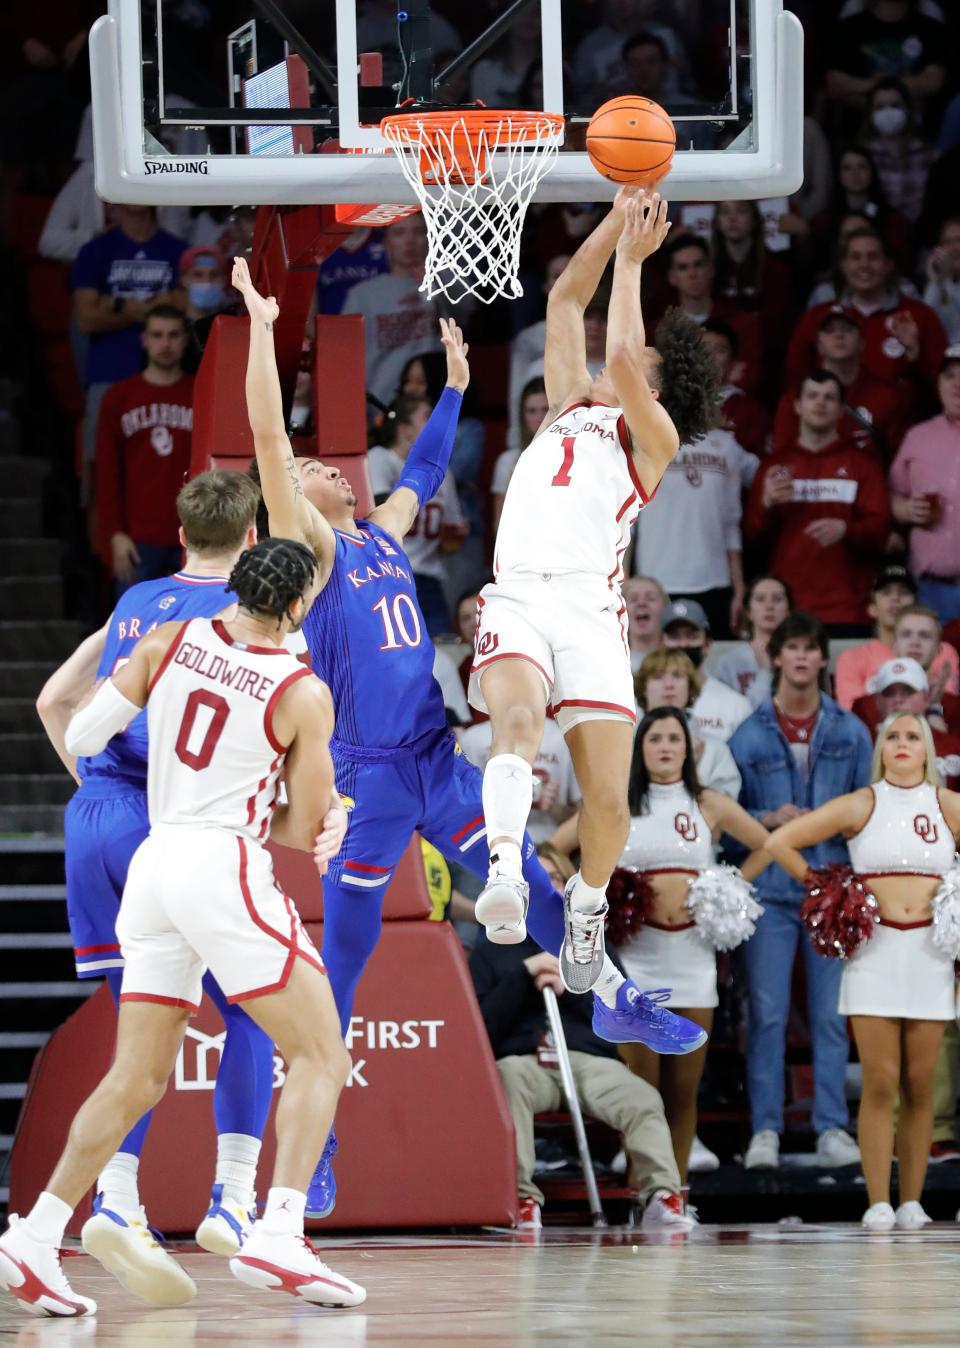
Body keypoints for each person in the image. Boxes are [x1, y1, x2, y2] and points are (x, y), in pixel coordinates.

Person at [232, 255, 695, 1220]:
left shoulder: (383, 532)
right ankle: (315, 1152)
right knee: (342, 969)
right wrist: (267, 333)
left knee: (524, 874)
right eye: (319, 470)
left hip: (434, 760)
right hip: (363, 783)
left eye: (333, 465)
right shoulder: (310, 547)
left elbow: (431, 467)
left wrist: (450, 389)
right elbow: (273, 438)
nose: (329, 468)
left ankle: (605, 986)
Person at [0, 539, 365, 1316]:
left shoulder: (168, 639)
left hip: (155, 863)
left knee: (134, 1078)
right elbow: (301, 828)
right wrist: (333, 819)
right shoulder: (301, 690)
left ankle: (33, 1237)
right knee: (322, 1053)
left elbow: (87, 734)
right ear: (298, 607)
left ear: (231, 587)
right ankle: (279, 1230)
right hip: (221, 865)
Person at [469, 188, 716, 1023]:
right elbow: (564, 299)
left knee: (607, 802)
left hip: (588, 612)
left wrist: (639, 265)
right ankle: (506, 869)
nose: (624, 361)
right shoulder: (572, 399)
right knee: (514, 729)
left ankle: (587, 909)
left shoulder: (654, 439)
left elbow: (620, 347)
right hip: (518, 597)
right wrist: (618, 216)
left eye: (640, 364)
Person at [34, 470, 277, 1260]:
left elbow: (52, 703)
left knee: (135, 1032)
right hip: (165, 820)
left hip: (91, 817)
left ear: (178, 534)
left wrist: (96, 794)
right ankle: (234, 1200)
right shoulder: (240, 617)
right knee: (252, 1012)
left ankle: (117, 1200)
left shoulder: (136, 604)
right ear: (252, 539)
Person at [766, 710, 960, 1230]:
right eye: (892, 736)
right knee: (880, 1082)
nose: (902, 743)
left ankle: (913, 1201)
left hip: (930, 955)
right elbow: (777, 842)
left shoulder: (946, 806)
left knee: (920, 1083)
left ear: (927, 750)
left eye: (912, 736)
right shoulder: (862, 803)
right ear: (880, 748)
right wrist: (829, 890)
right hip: (874, 955)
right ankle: (877, 1200)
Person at [470, 841, 695, 1233]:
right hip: (525, 1061)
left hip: (586, 1061)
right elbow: (479, 1028)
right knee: (506, 1083)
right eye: (533, 881)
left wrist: (575, 982)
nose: (544, 888)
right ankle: (522, 1199)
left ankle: (662, 1196)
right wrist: (522, 978)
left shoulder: (591, 945)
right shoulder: (490, 948)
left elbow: (619, 1016)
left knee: (642, 1097)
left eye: (553, 879)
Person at [728, 612, 872, 1171]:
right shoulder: (749, 731)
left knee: (832, 1015)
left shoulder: (849, 730)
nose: (803, 659)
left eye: (812, 649)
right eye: (793, 648)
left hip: (832, 886)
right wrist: (771, 817)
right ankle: (765, 1127)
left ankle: (830, 1126)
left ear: (822, 659)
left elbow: (865, 808)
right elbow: (731, 813)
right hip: (768, 889)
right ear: (777, 657)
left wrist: (825, 824)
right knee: (765, 1013)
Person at [612, 708, 770, 1182]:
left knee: (684, 1092)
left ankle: (675, 1192)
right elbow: (558, 848)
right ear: (640, 748)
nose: (664, 747)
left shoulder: (709, 804)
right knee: (642, 1093)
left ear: (689, 747)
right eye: (654, 738)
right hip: (637, 962)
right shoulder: (617, 803)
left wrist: (730, 888)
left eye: (673, 739)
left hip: (694, 962)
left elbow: (767, 844)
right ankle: (644, 1192)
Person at [745, 370, 891, 634]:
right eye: (812, 396)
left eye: (829, 397)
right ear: (798, 406)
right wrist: (764, 504)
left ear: (840, 410)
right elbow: (752, 538)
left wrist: (847, 529)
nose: (820, 403)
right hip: (786, 608)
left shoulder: (863, 464)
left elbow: (881, 532)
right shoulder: (774, 465)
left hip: (847, 609)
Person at [71, 204, 187, 479]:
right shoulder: (95, 250)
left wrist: (117, 304)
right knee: (100, 473)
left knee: (167, 471)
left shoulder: (178, 249)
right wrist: (151, 310)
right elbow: (86, 319)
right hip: (108, 372)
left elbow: (186, 306)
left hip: (169, 378)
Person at [94, 304, 194, 590]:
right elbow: (107, 472)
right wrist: (114, 533)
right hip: (137, 540)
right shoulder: (119, 397)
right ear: (144, 340)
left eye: (174, 335)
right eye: (157, 335)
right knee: (134, 631)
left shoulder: (202, 391)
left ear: (185, 339)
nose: (165, 343)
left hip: (193, 536)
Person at [785, 229, 947, 400]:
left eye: (873, 257)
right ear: (843, 265)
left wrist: (915, 356)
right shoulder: (817, 317)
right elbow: (794, 384)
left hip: (900, 423)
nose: (864, 264)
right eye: (856, 257)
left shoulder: (919, 315)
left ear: (888, 264)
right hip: (832, 422)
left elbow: (944, 385)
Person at [632, 413, 750, 638]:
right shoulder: (642, 439)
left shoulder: (725, 445)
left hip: (714, 581)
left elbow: (731, 523)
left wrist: (739, 589)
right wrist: (625, 584)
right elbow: (628, 523)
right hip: (654, 581)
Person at [367, 393, 467, 636]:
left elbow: (452, 535)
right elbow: (382, 513)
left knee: (443, 646)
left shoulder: (445, 474)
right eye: (427, 417)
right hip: (389, 574)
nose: (436, 423)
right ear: (405, 429)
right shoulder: (380, 458)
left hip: (430, 579)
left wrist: (455, 534)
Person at [773, 305, 904, 460]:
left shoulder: (887, 396)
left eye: (847, 329)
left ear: (862, 342)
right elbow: (780, 458)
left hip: (869, 479)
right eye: (830, 330)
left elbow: (900, 459)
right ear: (819, 346)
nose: (839, 335)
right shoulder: (794, 399)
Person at [341, 215, 442, 414]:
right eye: (399, 233)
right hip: (381, 405)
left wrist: (436, 288)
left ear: (430, 238)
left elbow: (463, 322)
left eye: (419, 232)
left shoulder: (447, 286)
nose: (410, 241)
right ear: (386, 242)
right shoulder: (362, 294)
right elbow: (346, 360)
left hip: (437, 402)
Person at [889, 349, 960, 622]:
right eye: (950, 376)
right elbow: (892, 496)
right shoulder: (917, 436)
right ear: (938, 384)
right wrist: (906, 509)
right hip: (930, 588)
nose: (957, 384)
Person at [834, 564, 958, 707]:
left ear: (915, 605)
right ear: (872, 609)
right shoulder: (851, 659)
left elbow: (948, 709)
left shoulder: (941, 651)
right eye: (886, 592)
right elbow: (852, 714)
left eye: (904, 592)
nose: (895, 598)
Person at [635, 647, 742, 798]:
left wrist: (691, 770)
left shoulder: (715, 750)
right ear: (643, 688)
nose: (669, 685)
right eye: (658, 677)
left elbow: (723, 813)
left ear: (690, 686)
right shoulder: (623, 745)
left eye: (677, 676)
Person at [662, 234, 762, 394]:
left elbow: (749, 378)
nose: (692, 274)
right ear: (671, 277)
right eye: (683, 267)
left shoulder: (742, 323)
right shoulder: (659, 329)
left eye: (698, 265)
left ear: (711, 269)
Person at [851, 656, 960, 787]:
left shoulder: (953, 748)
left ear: (926, 697)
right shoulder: (861, 749)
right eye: (889, 693)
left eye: (908, 691)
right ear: (877, 701)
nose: (898, 699)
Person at [851, 607, 960, 735]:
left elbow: (951, 753)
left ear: (938, 649)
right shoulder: (865, 706)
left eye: (924, 635)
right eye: (906, 634)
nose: (915, 642)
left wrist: (935, 709)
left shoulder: (955, 708)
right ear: (894, 646)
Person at [660, 600, 752, 743]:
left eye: (692, 636)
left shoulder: (736, 705)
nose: (683, 644)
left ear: (708, 644)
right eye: (674, 637)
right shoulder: (643, 700)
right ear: (661, 643)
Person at [711, 574, 794, 710]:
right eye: (760, 599)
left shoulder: (804, 656)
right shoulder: (729, 661)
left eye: (777, 599)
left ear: (789, 610)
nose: (769, 606)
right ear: (748, 611)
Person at [863, 77, 934, 225]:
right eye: (880, 107)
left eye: (895, 105)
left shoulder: (927, 152)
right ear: (870, 113)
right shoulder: (863, 154)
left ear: (907, 109)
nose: (888, 112)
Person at [700, 319, 771, 461]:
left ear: (733, 362)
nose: (710, 356)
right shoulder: (670, 406)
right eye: (704, 348)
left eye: (720, 351)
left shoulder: (750, 411)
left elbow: (757, 469)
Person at [492, 378, 549, 534]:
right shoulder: (508, 461)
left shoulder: (574, 455)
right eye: (531, 411)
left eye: (546, 409)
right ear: (522, 415)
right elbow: (498, 526)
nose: (539, 418)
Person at [922, 216, 960, 344]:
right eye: (948, 242)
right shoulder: (941, 282)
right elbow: (925, 320)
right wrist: (935, 282)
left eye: (959, 240)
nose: (955, 247)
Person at [622, 574, 668, 674]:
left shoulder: (679, 660)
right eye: (633, 599)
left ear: (665, 608)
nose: (641, 603)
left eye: (651, 598)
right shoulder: (611, 661)